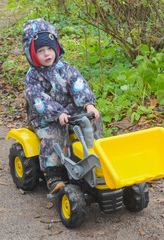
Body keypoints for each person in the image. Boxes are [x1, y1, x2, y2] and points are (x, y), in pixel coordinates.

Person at [22, 18, 103, 194]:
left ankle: (97, 153)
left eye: (50, 48)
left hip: (70, 112)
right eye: (40, 50)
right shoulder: (32, 77)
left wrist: (88, 104)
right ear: (31, 53)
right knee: (55, 134)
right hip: (45, 118)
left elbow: (78, 85)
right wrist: (57, 113)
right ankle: (53, 174)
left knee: (93, 118)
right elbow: (38, 100)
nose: (47, 54)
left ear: (57, 47)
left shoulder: (65, 68)